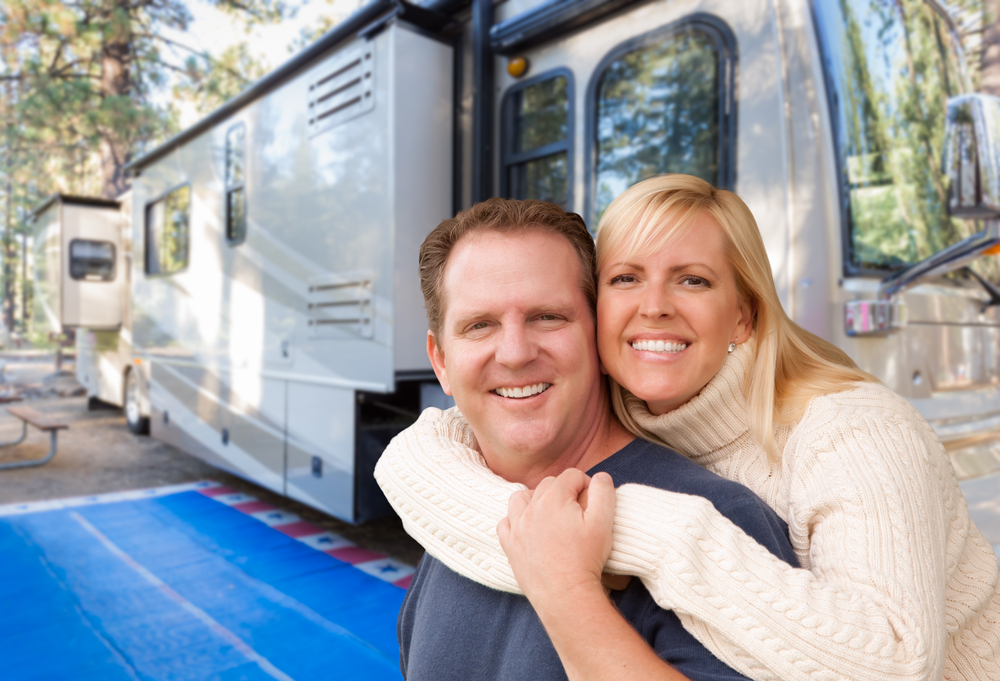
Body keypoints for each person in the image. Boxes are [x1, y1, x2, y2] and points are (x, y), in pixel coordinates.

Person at [376, 175, 1000, 681]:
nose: (654, 307)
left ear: (744, 316)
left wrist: (616, 548)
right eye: (626, 279)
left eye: (547, 316)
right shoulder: (469, 495)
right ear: (440, 361)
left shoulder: (848, 436)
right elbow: (421, 456)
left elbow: (894, 664)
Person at [388, 197, 800, 680]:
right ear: (441, 362)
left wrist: (568, 591)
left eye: (548, 317)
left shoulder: (720, 520)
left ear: (599, 335)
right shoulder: (454, 516)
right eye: (481, 326)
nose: (516, 352)